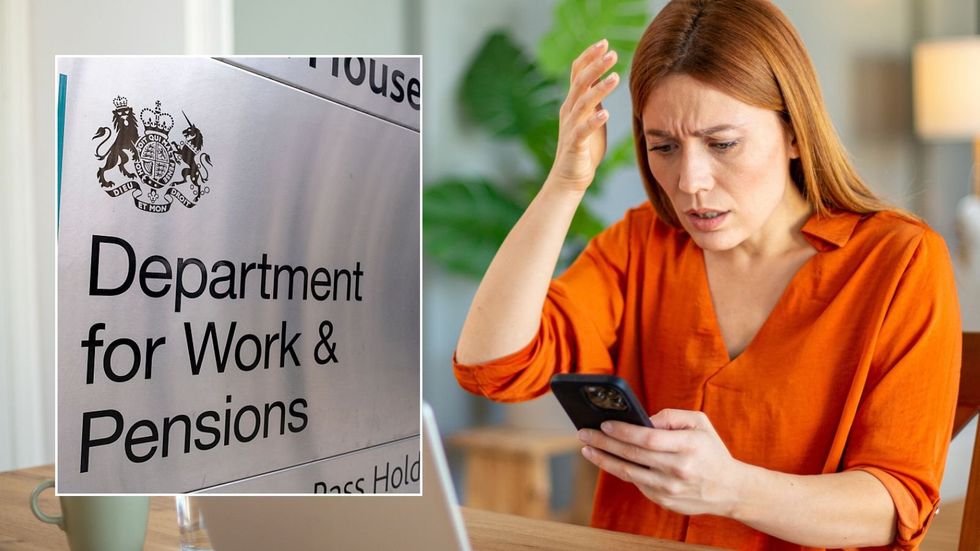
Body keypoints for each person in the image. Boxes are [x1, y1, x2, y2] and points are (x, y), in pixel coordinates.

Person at [452, 0, 962, 549]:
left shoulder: (899, 261)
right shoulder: (642, 244)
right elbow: (491, 365)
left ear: (794, 132)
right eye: (663, 147)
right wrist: (566, 182)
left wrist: (731, 489)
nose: (691, 180)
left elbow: (896, 504)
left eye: (722, 144)